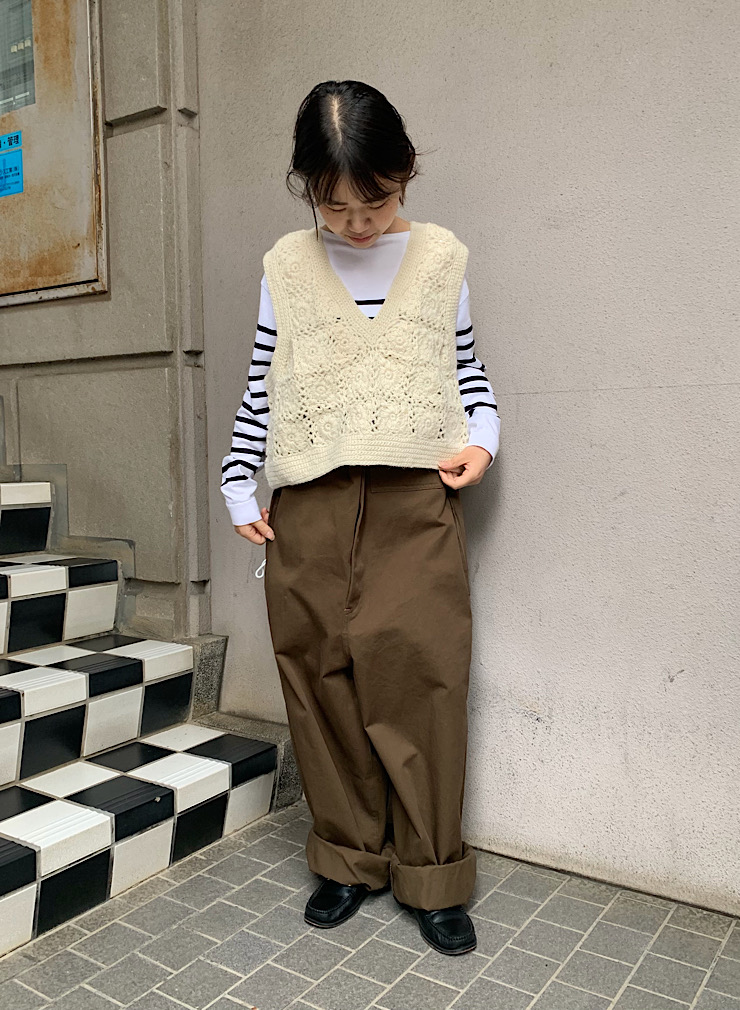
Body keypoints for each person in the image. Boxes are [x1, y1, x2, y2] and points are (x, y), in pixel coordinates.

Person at [220, 80, 500, 956]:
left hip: (417, 498)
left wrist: (484, 441)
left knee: (423, 679)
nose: (356, 223)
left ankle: (432, 874)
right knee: (320, 682)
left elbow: (468, 373)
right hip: (308, 501)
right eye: (334, 206)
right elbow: (263, 384)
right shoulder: (284, 266)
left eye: (373, 201)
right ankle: (347, 858)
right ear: (308, 189)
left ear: (404, 171)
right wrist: (237, 482)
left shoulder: (442, 259)